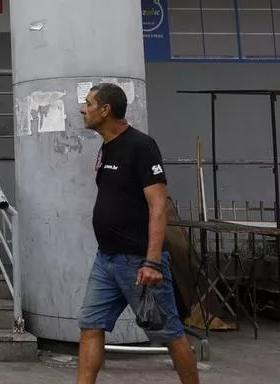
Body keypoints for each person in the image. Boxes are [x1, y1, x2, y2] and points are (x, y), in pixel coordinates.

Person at [77, 83, 199, 384]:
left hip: (138, 263)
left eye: (89, 104)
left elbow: (158, 207)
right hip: (106, 260)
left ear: (105, 111)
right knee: (91, 326)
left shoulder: (141, 146)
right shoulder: (107, 146)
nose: (83, 109)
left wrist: (153, 262)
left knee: (170, 334)